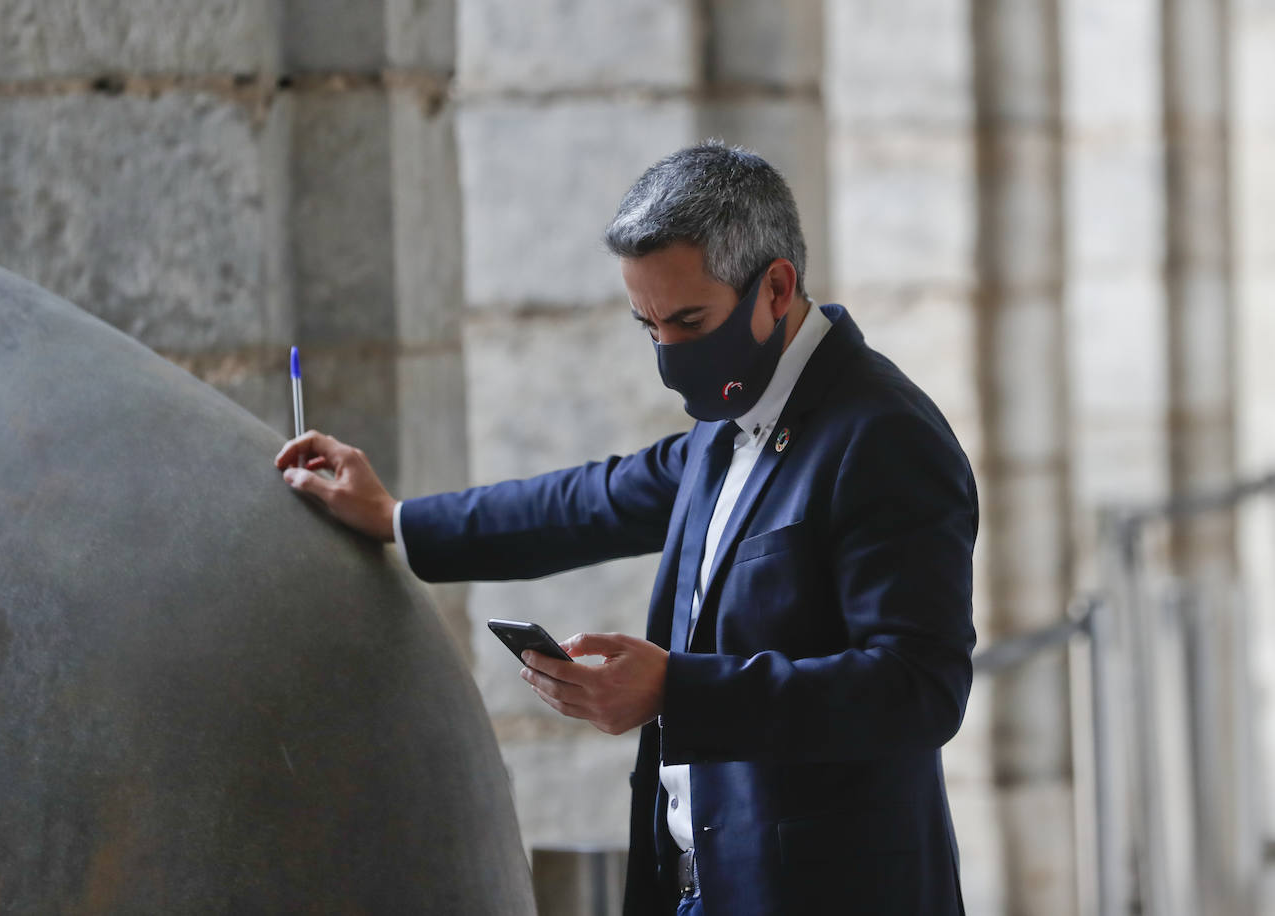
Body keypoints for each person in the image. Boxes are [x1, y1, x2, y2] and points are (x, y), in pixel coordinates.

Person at [274, 141, 978, 916]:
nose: (669, 354)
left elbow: (920, 688)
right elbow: (591, 501)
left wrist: (676, 689)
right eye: (647, 326)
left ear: (777, 286)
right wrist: (395, 519)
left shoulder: (884, 437)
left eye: (688, 320)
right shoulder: (732, 414)